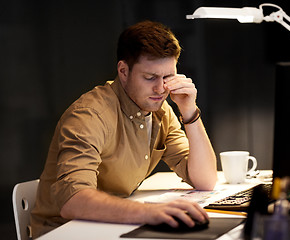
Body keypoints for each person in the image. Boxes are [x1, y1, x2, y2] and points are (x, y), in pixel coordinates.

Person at [30, 20, 217, 238]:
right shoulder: (89, 115)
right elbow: (73, 201)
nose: (160, 88)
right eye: (150, 77)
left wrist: (189, 110)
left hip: (113, 225)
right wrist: (149, 212)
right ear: (123, 71)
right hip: (64, 231)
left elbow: (205, 180)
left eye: (167, 77)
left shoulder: (161, 111)